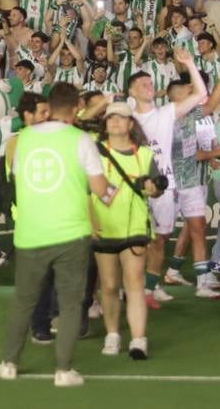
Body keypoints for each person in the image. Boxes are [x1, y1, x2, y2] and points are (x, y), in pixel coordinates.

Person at [0, 82, 110, 388]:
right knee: (71, 303)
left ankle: (9, 362)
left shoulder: (25, 139)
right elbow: (101, 190)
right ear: (75, 109)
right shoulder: (80, 139)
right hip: (71, 233)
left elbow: (20, 178)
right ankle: (63, 369)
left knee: (23, 301)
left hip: (31, 232)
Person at [91, 101, 166, 360]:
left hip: (135, 227)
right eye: (110, 117)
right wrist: (91, 222)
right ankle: (112, 334)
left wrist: (152, 188)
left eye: (121, 118)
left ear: (130, 124)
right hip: (104, 226)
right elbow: (84, 189)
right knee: (109, 285)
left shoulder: (144, 155)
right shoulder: (94, 152)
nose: (114, 121)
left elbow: (156, 188)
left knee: (134, 283)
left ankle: (138, 339)